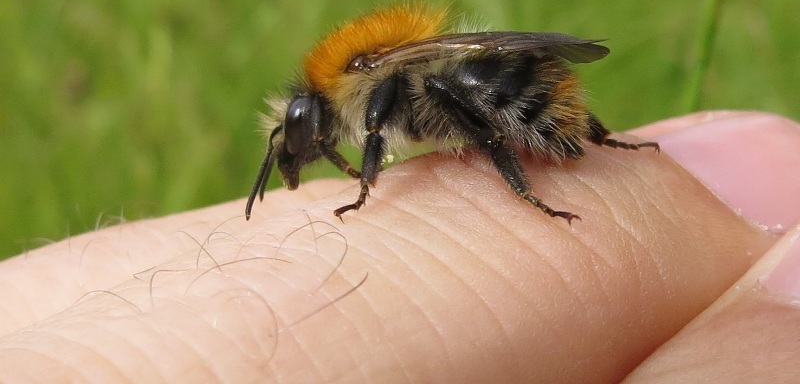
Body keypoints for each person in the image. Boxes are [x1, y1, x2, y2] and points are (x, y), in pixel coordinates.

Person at [1, 111, 799, 382]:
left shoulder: (376, 90)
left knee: (484, 110)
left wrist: (364, 192)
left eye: (311, 136)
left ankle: (535, 186)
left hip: (507, 97)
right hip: (511, 90)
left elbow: (415, 109)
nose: (317, 146)